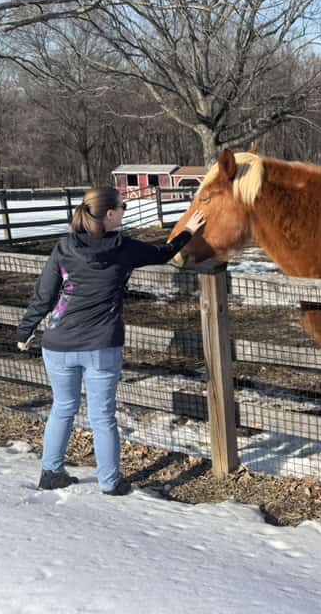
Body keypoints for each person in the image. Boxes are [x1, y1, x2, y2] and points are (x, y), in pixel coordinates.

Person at [16, 187, 205, 496]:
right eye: (123, 206)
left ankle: (51, 472)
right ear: (109, 215)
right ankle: (109, 481)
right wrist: (187, 233)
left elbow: (44, 295)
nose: (126, 210)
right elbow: (164, 253)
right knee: (102, 416)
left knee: (62, 407)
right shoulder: (124, 248)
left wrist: (25, 331)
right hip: (101, 346)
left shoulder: (64, 247)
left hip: (58, 345)